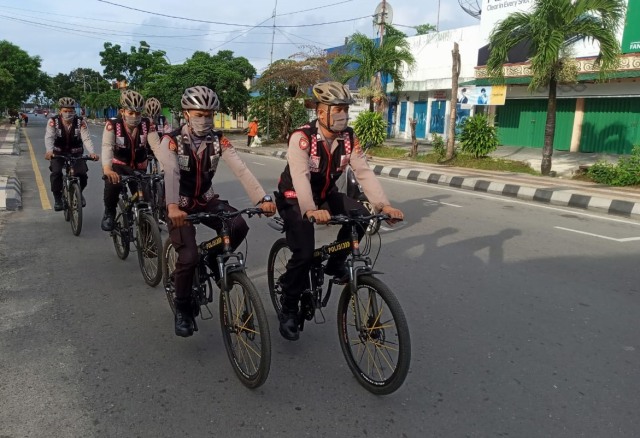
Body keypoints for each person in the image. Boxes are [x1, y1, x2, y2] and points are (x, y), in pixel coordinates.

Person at [274, 81, 404, 341]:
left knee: (361, 216)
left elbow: (364, 172)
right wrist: (310, 210)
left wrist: (383, 205)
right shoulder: (302, 138)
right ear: (321, 112)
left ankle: (335, 264)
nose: (342, 114)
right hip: (295, 198)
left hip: (325, 195)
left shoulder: (349, 139)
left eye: (345, 108)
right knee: (304, 251)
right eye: (337, 108)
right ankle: (288, 307)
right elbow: (299, 177)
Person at [151, 86, 276, 337]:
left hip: (205, 199)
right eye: (199, 114)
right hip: (179, 205)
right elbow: (172, 173)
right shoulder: (171, 141)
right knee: (187, 258)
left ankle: (211, 257)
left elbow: (241, 169)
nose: (205, 120)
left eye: (209, 114)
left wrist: (262, 198)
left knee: (238, 224)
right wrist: (173, 206)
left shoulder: (219, 140)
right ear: (186, 114)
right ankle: (183, 309)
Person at [100, 90, 160, 231]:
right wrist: (107, 169)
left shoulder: (147, 124)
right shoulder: (113, 124)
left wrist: (166, 167)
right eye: (131, 113)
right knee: (112, 185)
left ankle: (147, 237)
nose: (135, 117)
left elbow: (157, 147)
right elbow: (107, 147)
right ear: (122, 111)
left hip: (139, 166)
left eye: (138, 113)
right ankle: (109, 212)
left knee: (146, 199)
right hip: (119, 165)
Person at [44, 97, 99, 211]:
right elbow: (49, 137)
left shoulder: (80, 122)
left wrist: (92, 152)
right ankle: (58, 198)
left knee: (82, 174)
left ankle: (78, 193)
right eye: (65, 111)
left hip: (76, 152)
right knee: (56, 173)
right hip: (58, 152)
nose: (68, 113)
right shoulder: (53, 121)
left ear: (74, 111)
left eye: (71, 111)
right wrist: (49, 151)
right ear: (60, 111)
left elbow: (86, 138)